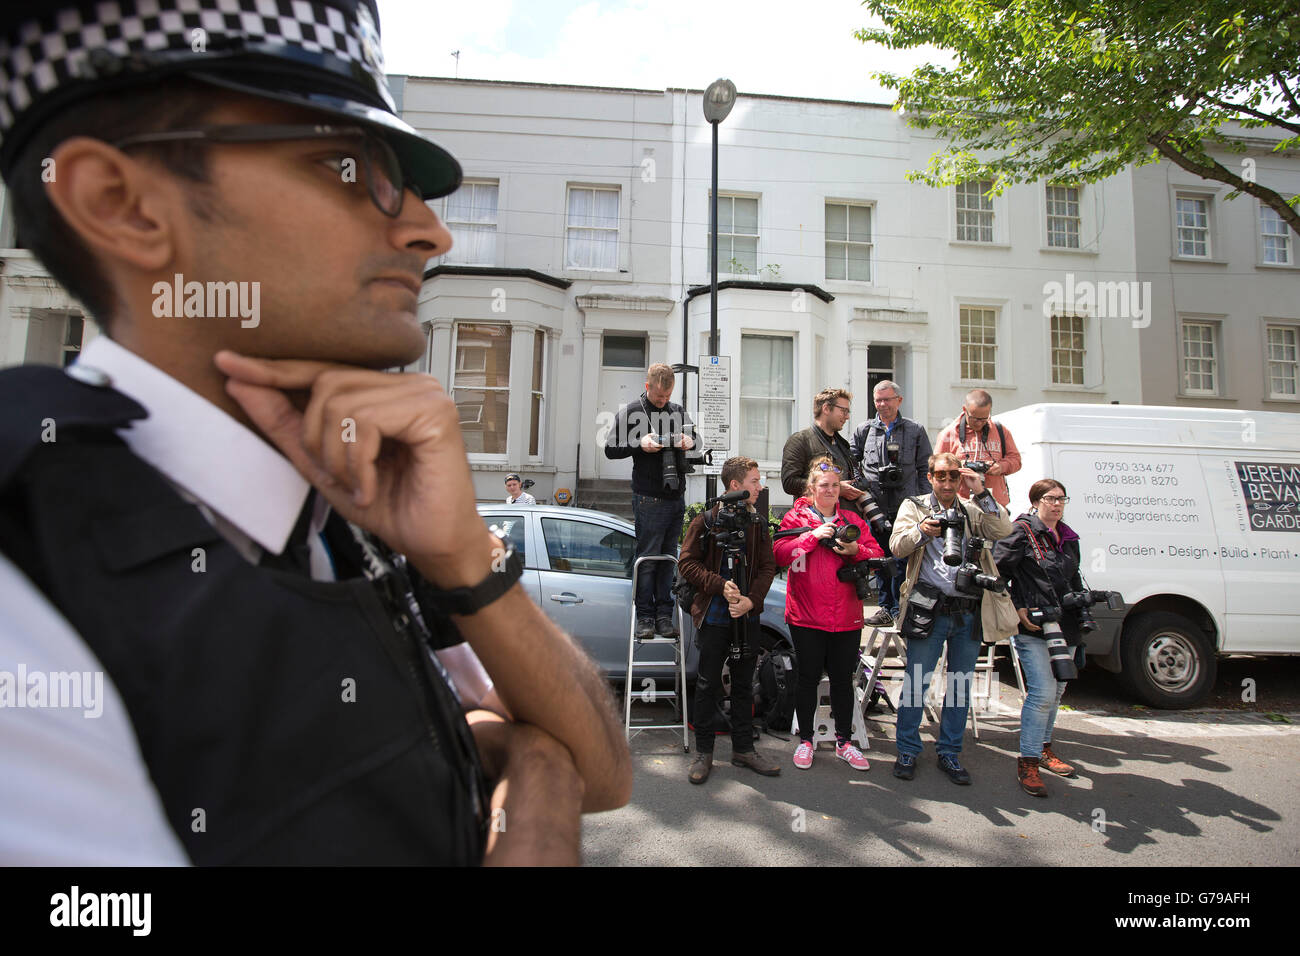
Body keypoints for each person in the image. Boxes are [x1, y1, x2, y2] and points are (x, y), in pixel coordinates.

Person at [0, 0, 631, 866]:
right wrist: (533, 792)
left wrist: (463, 565)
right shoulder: (28, 579)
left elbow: (600, 772)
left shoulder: (349, 501)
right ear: (123, 205)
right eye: (351, 167)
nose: (429, 230)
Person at [889, 452, 1018, 785]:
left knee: (960, 687)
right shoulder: (914, 506)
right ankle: (907, 749)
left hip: (967, 611)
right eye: (941, 476)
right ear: (930, 476)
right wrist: (922, 531)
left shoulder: (971, 509)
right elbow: (897, 546)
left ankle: (949, 752)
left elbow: (1003, 528)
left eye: (952, 476)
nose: (947, 482)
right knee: (917, 683)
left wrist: (982, 491)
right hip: (929, 609)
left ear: (959, 479)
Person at [774, 456, 884, 771]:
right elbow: (781, 555)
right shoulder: (795, 519)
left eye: (835, 486)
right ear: (811, 488)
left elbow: (876, 554)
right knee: (807, 678)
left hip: (846, 615)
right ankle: (806, 741)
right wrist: (812, 536)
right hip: (806, 615)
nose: (830, 491)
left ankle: (844, 743)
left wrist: (855, 551)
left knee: (842, 680)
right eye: (824, 486)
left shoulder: (853, 520)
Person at [677, 456, 781, 784]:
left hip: (745, 617)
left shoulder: (757, 523)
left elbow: (767, 567)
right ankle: (704, 752)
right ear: (735, 486)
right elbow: (687, 564)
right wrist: (720, 585)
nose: (760, 486)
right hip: (714, 617)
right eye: (754, 481)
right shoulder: (705, 521)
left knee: (743, 685)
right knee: (707, 685)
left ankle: (744, 749)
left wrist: (752, 600)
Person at [993, 479, 1086, 797]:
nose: (1057, 504)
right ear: (1036, 501)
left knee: (1057, 690)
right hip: (1033, 626)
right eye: (1051, 498)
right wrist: (1017, 606)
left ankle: (1045, 749)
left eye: (1062, 498)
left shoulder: (1069, 537)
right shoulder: (1021, 531)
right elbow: (996, 573)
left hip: (1066, 624)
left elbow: (1073, 577)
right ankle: (1028, 761)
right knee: (1042, 691)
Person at [603, 363, 696, 640]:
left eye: (667, 397)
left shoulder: (677, 411)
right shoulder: (632, 411)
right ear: (648, 386)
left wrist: (688, 441)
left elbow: (697, 440)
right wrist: (639, 444)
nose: (663, 401)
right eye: (658, 397)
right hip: (647, 498)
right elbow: (609, 449)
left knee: (669, 560)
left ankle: (664, 617)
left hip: (675, 497)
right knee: (648, 560)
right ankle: (645, 616)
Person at [851, 380, 934, 626]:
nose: (882, 405)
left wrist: (922, 503)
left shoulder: (915, 430)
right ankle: (886, 608)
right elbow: (852, 464)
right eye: (878, 400)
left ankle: (902, 608)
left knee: (903, 560)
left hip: (906, 507)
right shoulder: (864, 430)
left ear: (899, 400)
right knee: (882, 560)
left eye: (887, 399)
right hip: (875, 507)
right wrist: (861, 492)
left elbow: (924, 469)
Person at [933, 389, 1022, 508]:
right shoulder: (948, 434)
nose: (979, 423)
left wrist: (1001, 467)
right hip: (960, 504)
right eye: (974, 418)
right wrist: (959, 467)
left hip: (995, 505)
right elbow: (935, 468)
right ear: (965, 410)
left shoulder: (1001, 431)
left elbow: (1016, 460)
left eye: (984, 419)